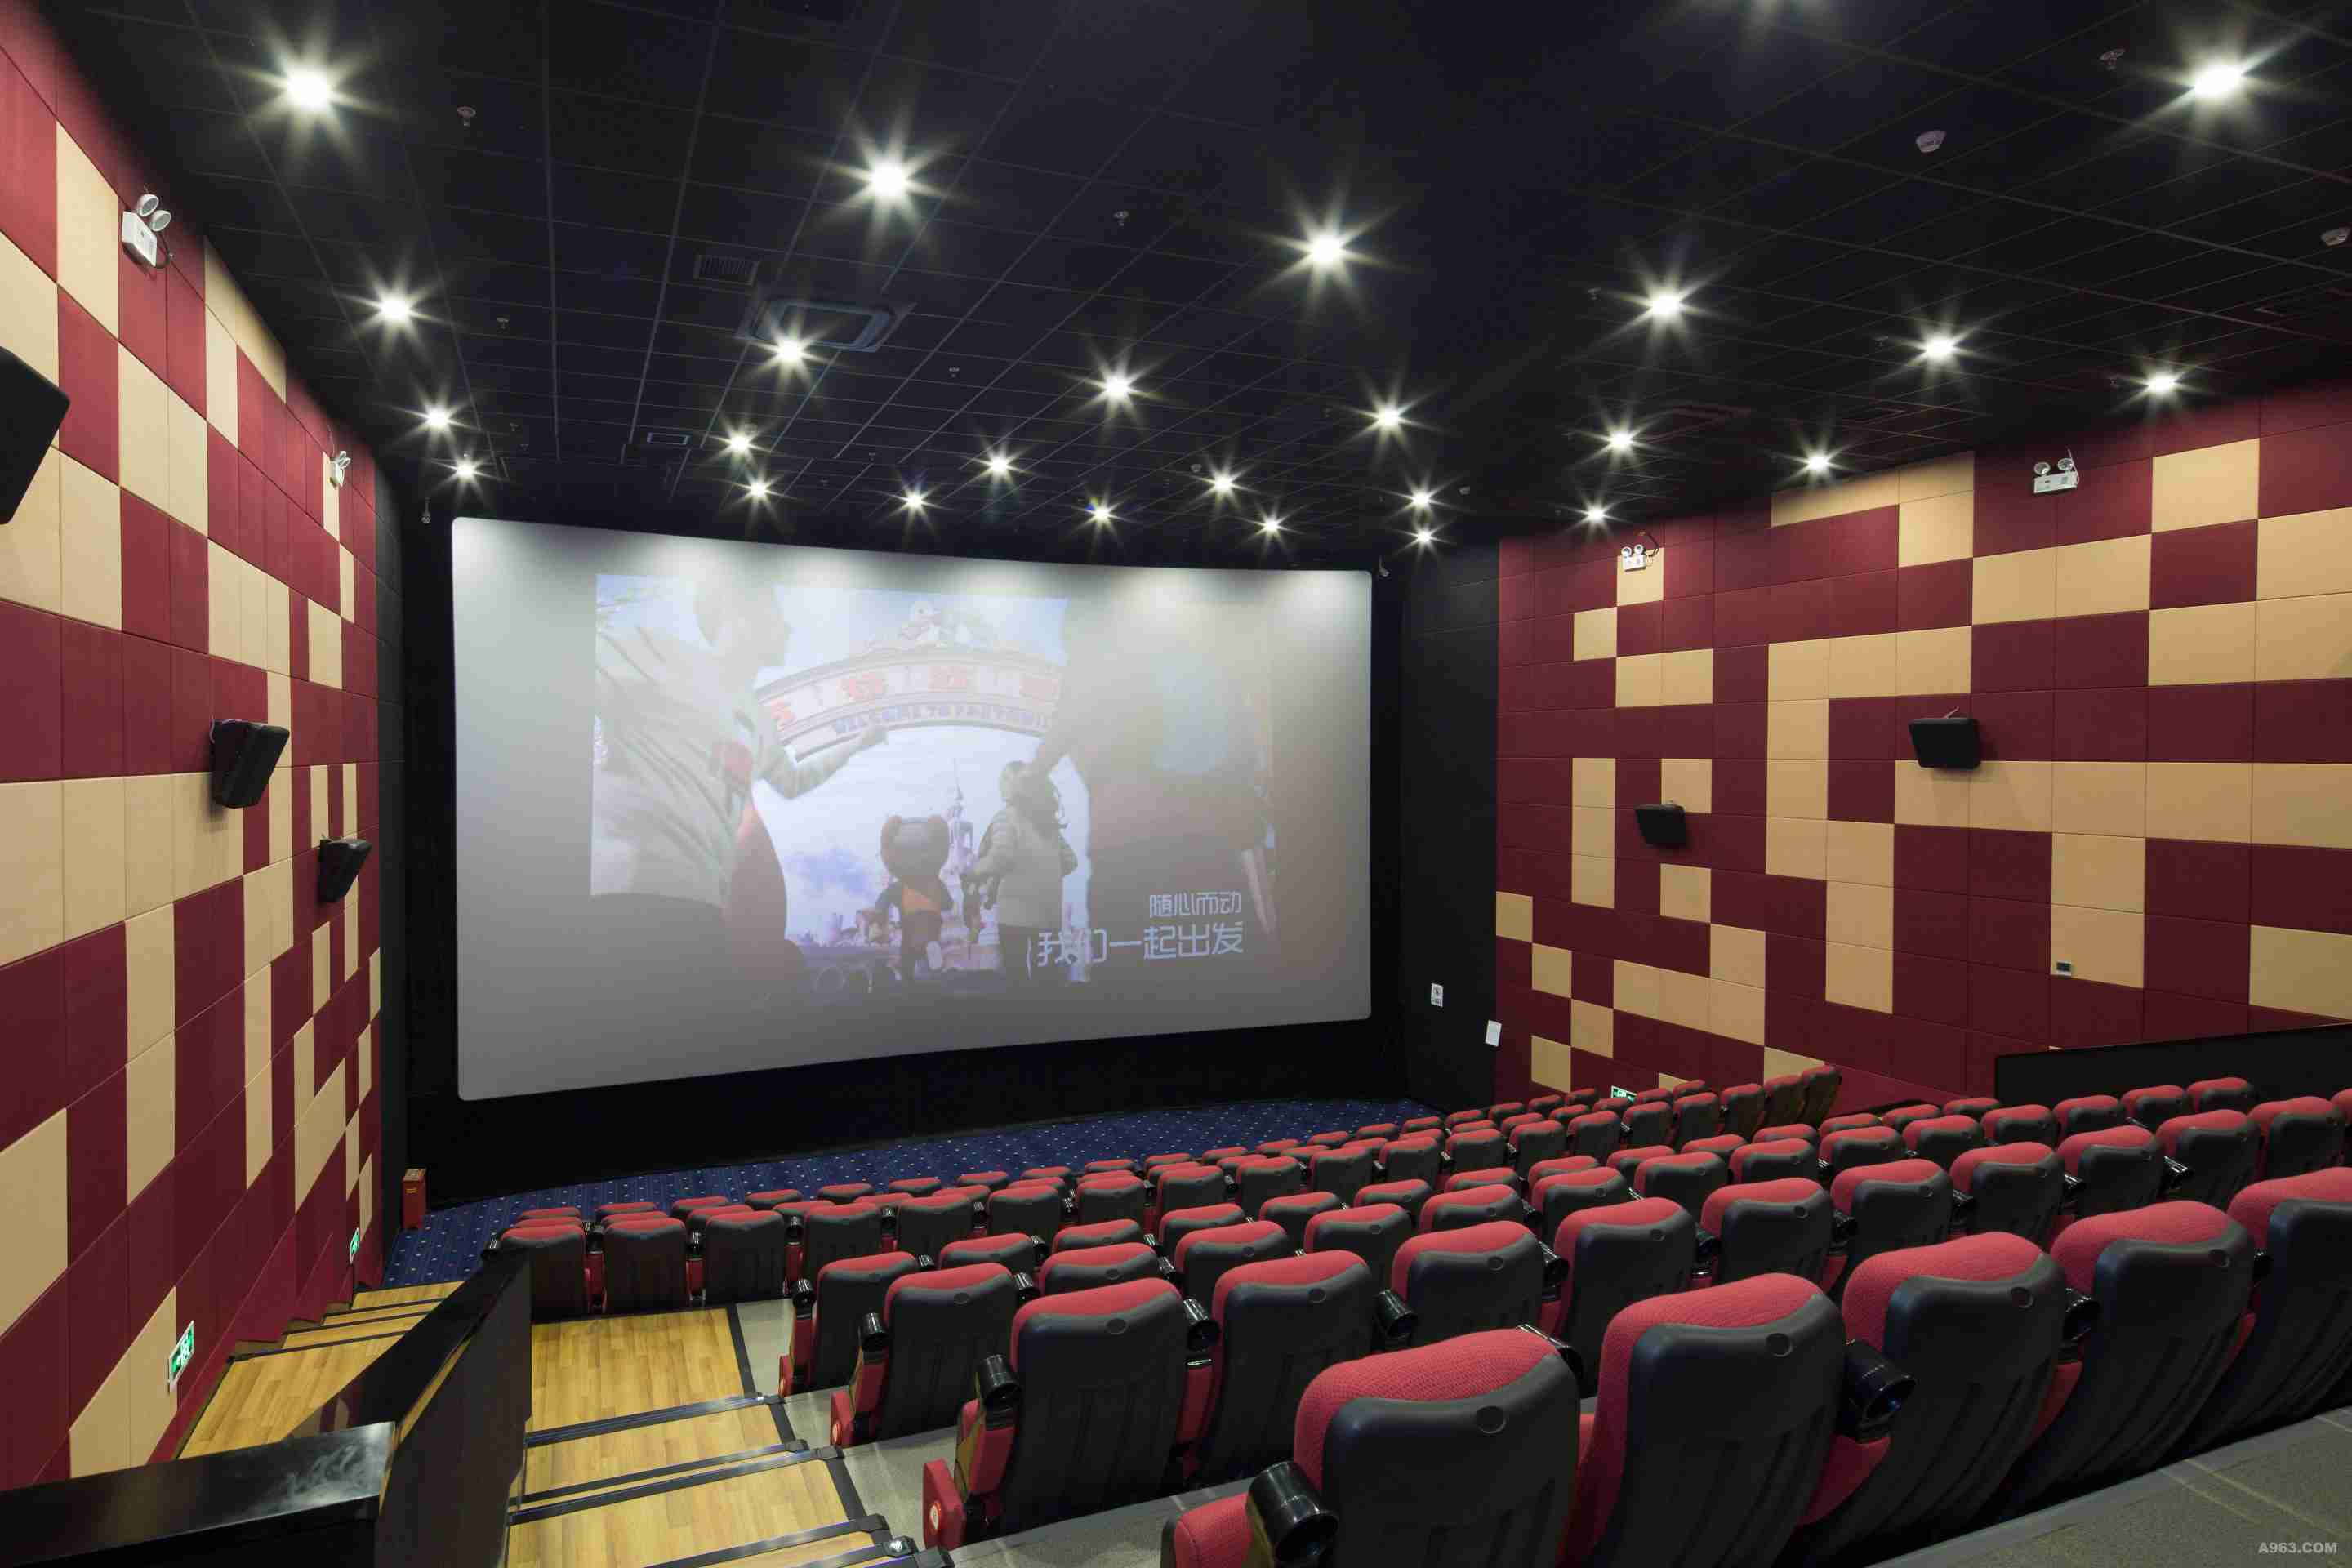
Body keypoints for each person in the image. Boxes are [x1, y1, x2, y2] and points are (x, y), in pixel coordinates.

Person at [968, 760, 1077, 985]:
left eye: (1004, 780)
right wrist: (1042, 874)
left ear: (1015, 785)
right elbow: (1070, 861)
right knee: (1046, 978)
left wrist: (974, 871)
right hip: (1048, 913)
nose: (1000, 785)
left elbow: (1000, 857)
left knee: (1016, 976)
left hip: (1014, 912)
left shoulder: (1005, 817)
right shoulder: (1048, 824)